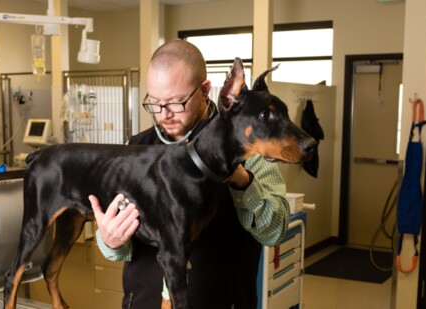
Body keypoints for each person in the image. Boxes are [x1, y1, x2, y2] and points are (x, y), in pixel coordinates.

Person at [88, 39, 290, 309]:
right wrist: (110, 239)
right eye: (155, 103)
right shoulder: (134, 150)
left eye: (175, 103)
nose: (164, 115)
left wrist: (241, 180)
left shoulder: (245, 147)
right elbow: (119, 248)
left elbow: (275, 231)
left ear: (205, 90)